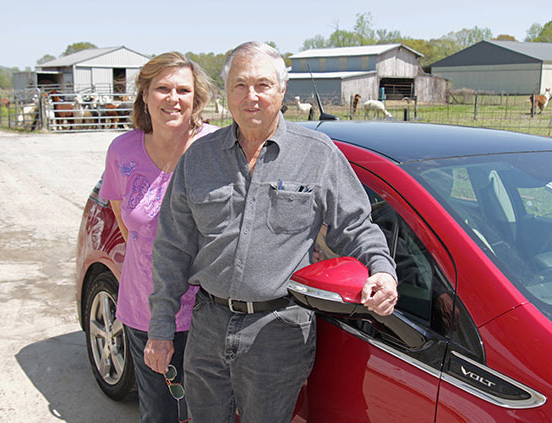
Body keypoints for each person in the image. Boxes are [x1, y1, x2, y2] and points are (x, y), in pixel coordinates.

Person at [145, 41, 398, 422]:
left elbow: (356, 226)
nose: (252, 97)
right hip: (208, 327)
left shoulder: (318, 154)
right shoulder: (198, 158)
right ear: (227, 93)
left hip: (277, 332)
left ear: (282, 90)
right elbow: (172, 248)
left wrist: (381, 270)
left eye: (263, 85)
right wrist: (161, 327)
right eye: (240, 85)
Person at [98, 52, 217, 423]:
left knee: (204, 412)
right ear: (145, 95)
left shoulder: (215, 149)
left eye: (183, 89)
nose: (173, 98)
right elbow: (127, 224)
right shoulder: (123, 150)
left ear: (196, 99)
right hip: (143, 310)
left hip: (207, 312)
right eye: (162, 88)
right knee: (159, 412)